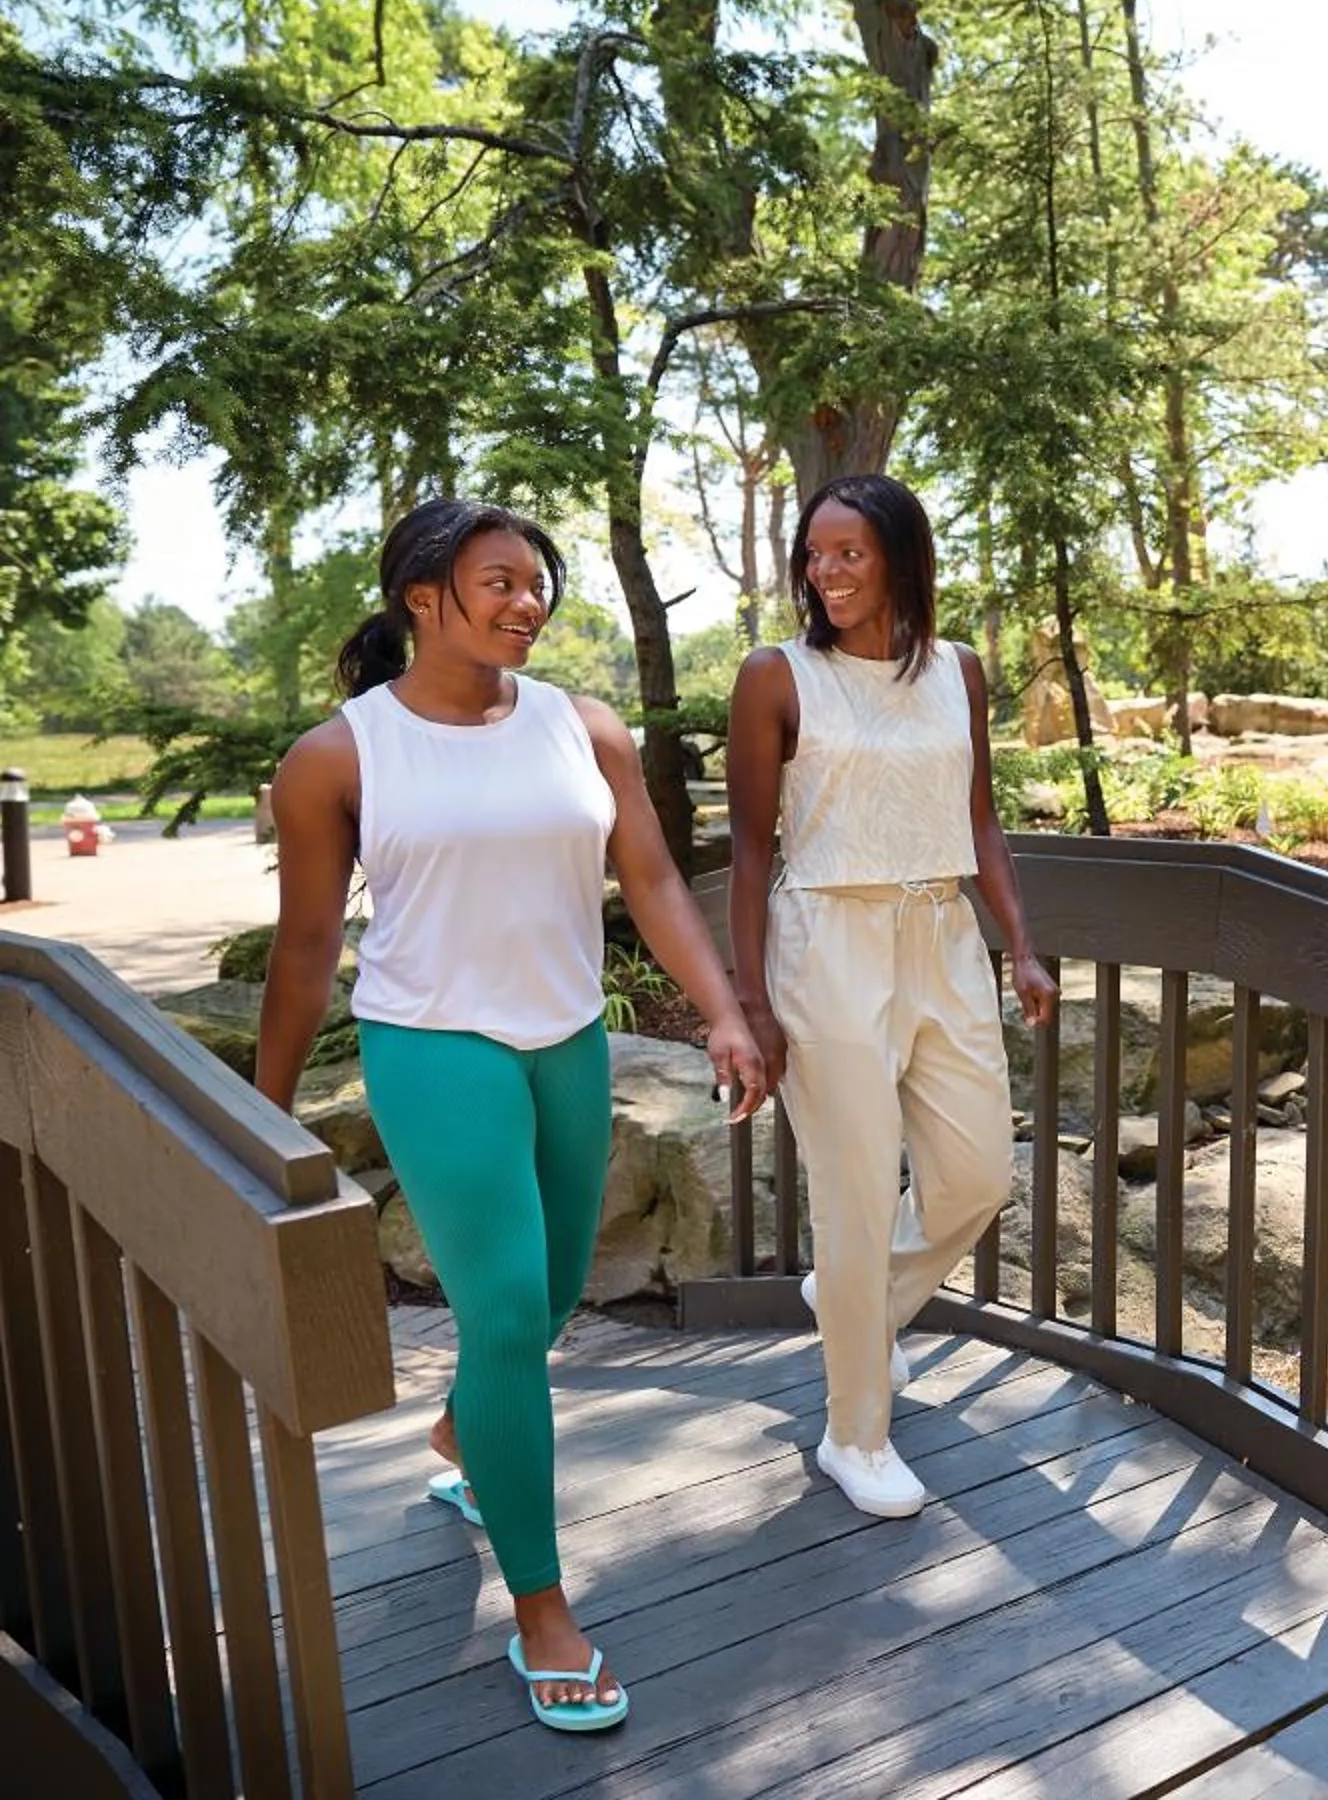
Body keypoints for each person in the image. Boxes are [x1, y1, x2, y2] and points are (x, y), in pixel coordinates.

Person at [254, 497, 769, 1735]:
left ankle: (464, 1431)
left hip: (568, 1038)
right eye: (499, 580)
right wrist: (258, 1112)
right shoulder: (340, 755)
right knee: (495, 1310)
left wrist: (725, 1010)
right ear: (422, 594)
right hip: (435, 1042)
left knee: (542, 1302)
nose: (527, 601)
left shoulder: (582, 727)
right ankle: (543, 1608)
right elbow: (310, 942)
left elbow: (645, 875)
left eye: (537, 582)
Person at [726, 472, 1057, 1519]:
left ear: (901, 559)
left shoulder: (958, 670)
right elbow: (743, 845)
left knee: (975, 1175)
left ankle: (855, 1307)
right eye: (814, 555)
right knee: (859, 1190)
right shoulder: (775, 676)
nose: (825, 573)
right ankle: (854, 1432)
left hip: (944, 933)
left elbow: (983, 819)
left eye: (849, 554)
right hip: (826, 938)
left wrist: (1025, 945)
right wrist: (751, 1003)